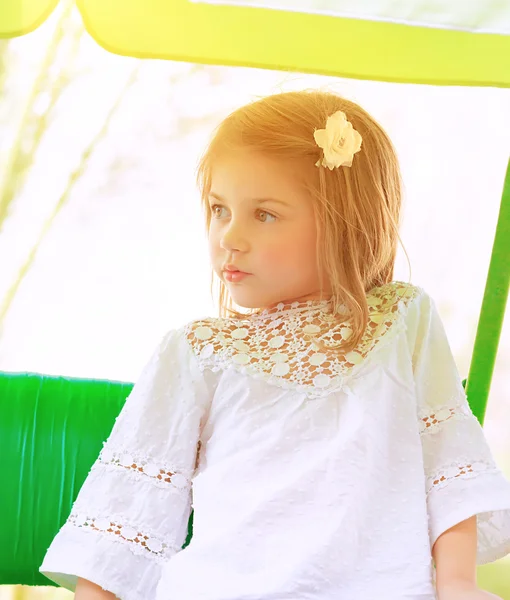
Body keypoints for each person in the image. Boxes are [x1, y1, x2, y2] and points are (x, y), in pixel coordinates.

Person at [39, 90, 510, 600]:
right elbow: (132, 504)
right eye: (219, 209)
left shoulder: (401, 319)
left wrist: (458, 583)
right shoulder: (198, 350)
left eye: (264, 214)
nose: (229, 237)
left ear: (346, 224)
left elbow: (448, 462)